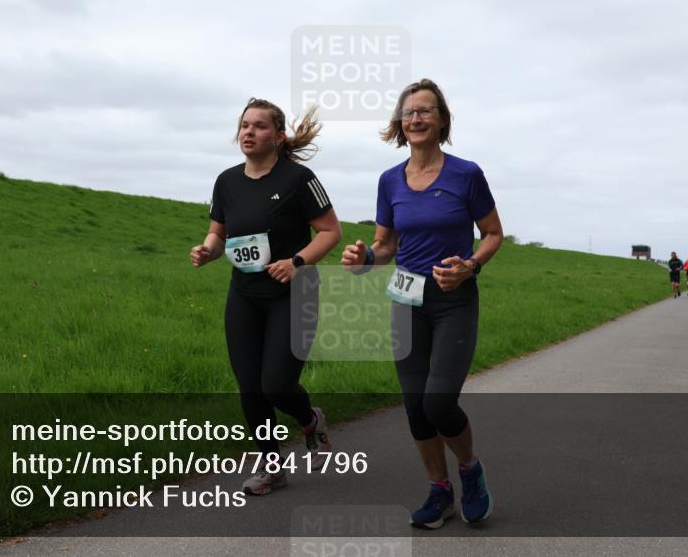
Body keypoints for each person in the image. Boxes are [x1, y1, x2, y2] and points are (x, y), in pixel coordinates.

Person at [341, 78, 503, 529]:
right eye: (408, 112)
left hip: (454, 299)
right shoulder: (389, 180)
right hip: (406, 297)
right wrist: (364, 259)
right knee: (415, 406)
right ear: (399, 123)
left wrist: (470, 266)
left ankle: (470, 471)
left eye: (425, 111)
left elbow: (493, 233)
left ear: (442, 120)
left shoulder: (466, 174)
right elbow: (385, 244)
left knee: (438, 402)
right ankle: (440, 491)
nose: (415, 118)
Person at [190, 98, 343, 495]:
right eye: (244, 125)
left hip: (294, 293)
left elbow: (330, 232)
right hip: (245, 293)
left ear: (278, 136)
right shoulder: (227, 181)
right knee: (250, 387)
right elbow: (219, 231)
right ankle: (271, 467)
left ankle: (310, 420)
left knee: (276, 384)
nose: (248, 132)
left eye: (259, 126)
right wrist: (208, 249)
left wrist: (297, 262)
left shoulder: (298, 179)